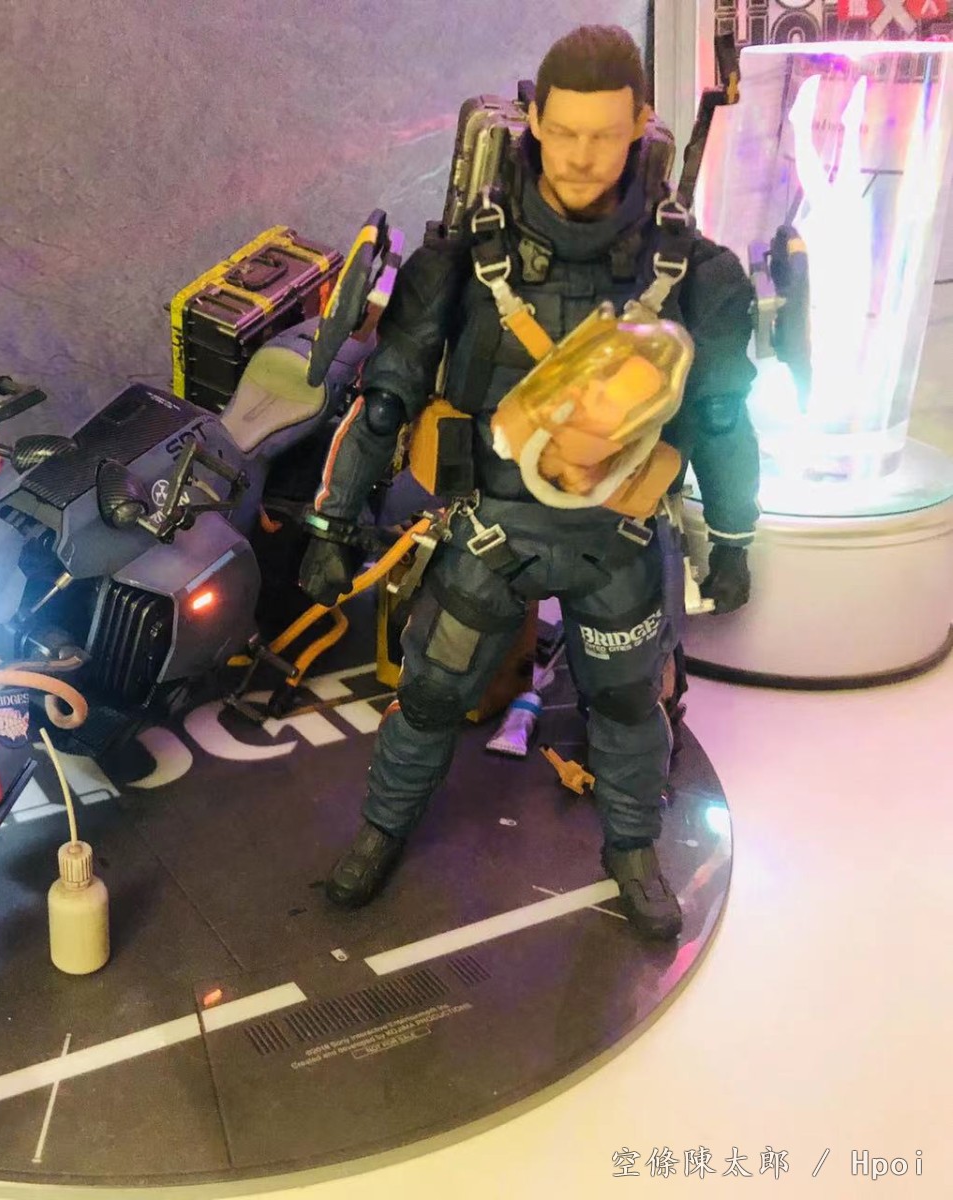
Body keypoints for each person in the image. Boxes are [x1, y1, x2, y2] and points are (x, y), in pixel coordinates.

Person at [298, 24, 759, 939]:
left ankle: (632, 850)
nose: (583, 156)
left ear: (640, 124)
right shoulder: (461, 260)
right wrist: (331, 524)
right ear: (535, 122)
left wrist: (735, 535)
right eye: (566, 131)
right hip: (490, 530)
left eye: (605, 133)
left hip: (614, 535)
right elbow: (386, 399)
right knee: (429, 696)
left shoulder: (693, 270)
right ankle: (382, 830)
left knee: (626, 704)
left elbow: (719, 419)